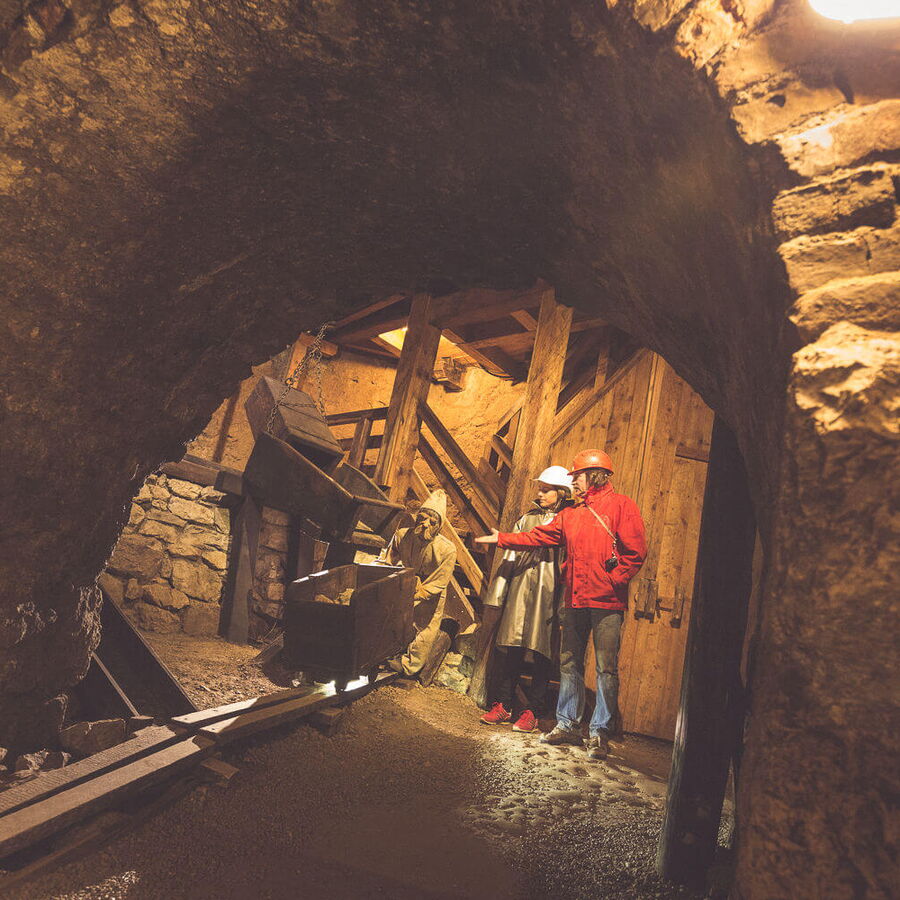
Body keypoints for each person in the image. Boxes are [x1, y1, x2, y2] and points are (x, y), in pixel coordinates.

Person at [476, 450, 646, 759]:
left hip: (607, 603)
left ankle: (599, 732)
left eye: (577, 476)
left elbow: (636, 552)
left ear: (593, 476)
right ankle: (568, 724)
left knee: (606, 669)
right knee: (569, 664)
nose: (573, 482)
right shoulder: (572, 514)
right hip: (576, 600)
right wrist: (501, 538)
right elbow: (537, 537)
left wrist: (615, 580)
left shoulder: (622, 506)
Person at [479, 466, 573, 734]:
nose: (540, 493)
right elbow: (509, 555)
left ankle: (533, 710)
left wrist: (565, 604)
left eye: (546, 490)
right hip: (520, 590)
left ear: (561, 493)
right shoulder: (527, 519)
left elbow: (569, 562)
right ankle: (505, 705)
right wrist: (498, 593)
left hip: (549, 594)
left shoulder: (568, 521)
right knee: (514, 646)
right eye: (540, 488)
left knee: (543, 653)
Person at [384, 489, 457, 678]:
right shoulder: (402, 535)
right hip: (406, 584)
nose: (425, 524)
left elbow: (439, 581)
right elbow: (389, 559)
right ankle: (388, 654)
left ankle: (409, 666)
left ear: (439, 525)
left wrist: (419, 593)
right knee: (395, 620)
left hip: (429, 591)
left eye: (432, 522)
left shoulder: (447, 549)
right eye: (422, 518)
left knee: (425, 628)